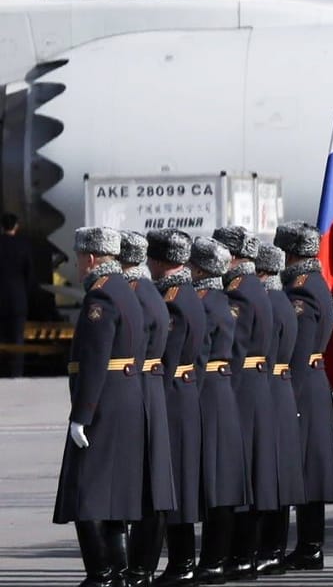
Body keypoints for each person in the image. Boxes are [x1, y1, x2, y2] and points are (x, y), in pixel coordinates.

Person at [54, 227, 146, 587]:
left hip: (104, 402)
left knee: (85, 491)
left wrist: (81, 415)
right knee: (114, 492)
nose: (77, 265)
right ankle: (119, 572)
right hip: (128, 398)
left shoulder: (100, 297)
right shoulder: (126, 290)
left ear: (91, 258)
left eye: (78, 258)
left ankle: (101, 572)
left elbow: (94, 359)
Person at [212, 225, 278, 580]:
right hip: (257, 387)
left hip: (241, 390)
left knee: (239, 478)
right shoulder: (253, 287)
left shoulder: (237, 293)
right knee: (250, 475)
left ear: (234, 256)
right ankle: (244, 555)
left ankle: (238, 556)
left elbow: (233, 351)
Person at [118, 231, 180, 586]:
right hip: (154, 390)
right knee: (152, 485)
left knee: (141, 488)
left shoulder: (134, 296)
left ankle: (139, 568)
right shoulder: (152, 294)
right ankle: (142, 567)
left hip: (138, 392)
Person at [146, 229, 206, 587]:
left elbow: (168, 357)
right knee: (179, 483)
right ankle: (181, 562)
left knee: (176, 485)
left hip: (172, 396)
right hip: (186, 392)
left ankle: (182, 563)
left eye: (153, 258)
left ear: (161, 260)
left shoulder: (172, 299)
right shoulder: (187, 293)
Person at [276, 223, 333, 572]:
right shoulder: (313, 283)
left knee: (300, 468)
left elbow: (297, 350)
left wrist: (289, 398)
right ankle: (309, 545)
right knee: (308, 467)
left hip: (302, 386)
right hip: (313, 382)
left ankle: (310, 546)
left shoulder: (301, 292)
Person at [189, 236, 245, 583]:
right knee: (221, 481)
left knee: (210, 482)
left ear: (197, 268)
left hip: (206, 391)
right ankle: (218, 559)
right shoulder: (226, 300)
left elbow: (193, 353)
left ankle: (211, 561)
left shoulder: (202, 302)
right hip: (224, 389)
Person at [252, 243, 303, 576]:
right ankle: (273, 548)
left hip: (267, 389)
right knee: (278, 476)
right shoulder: (282, 300)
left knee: (266, 477)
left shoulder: (268, 303)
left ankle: (269, 549)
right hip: (282, 387)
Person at [0, 211, 34, 377]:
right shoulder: (23, 246)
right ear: (16, 226)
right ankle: (16, 372)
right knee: (17, 337)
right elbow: (29, 275)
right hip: (17, 298)